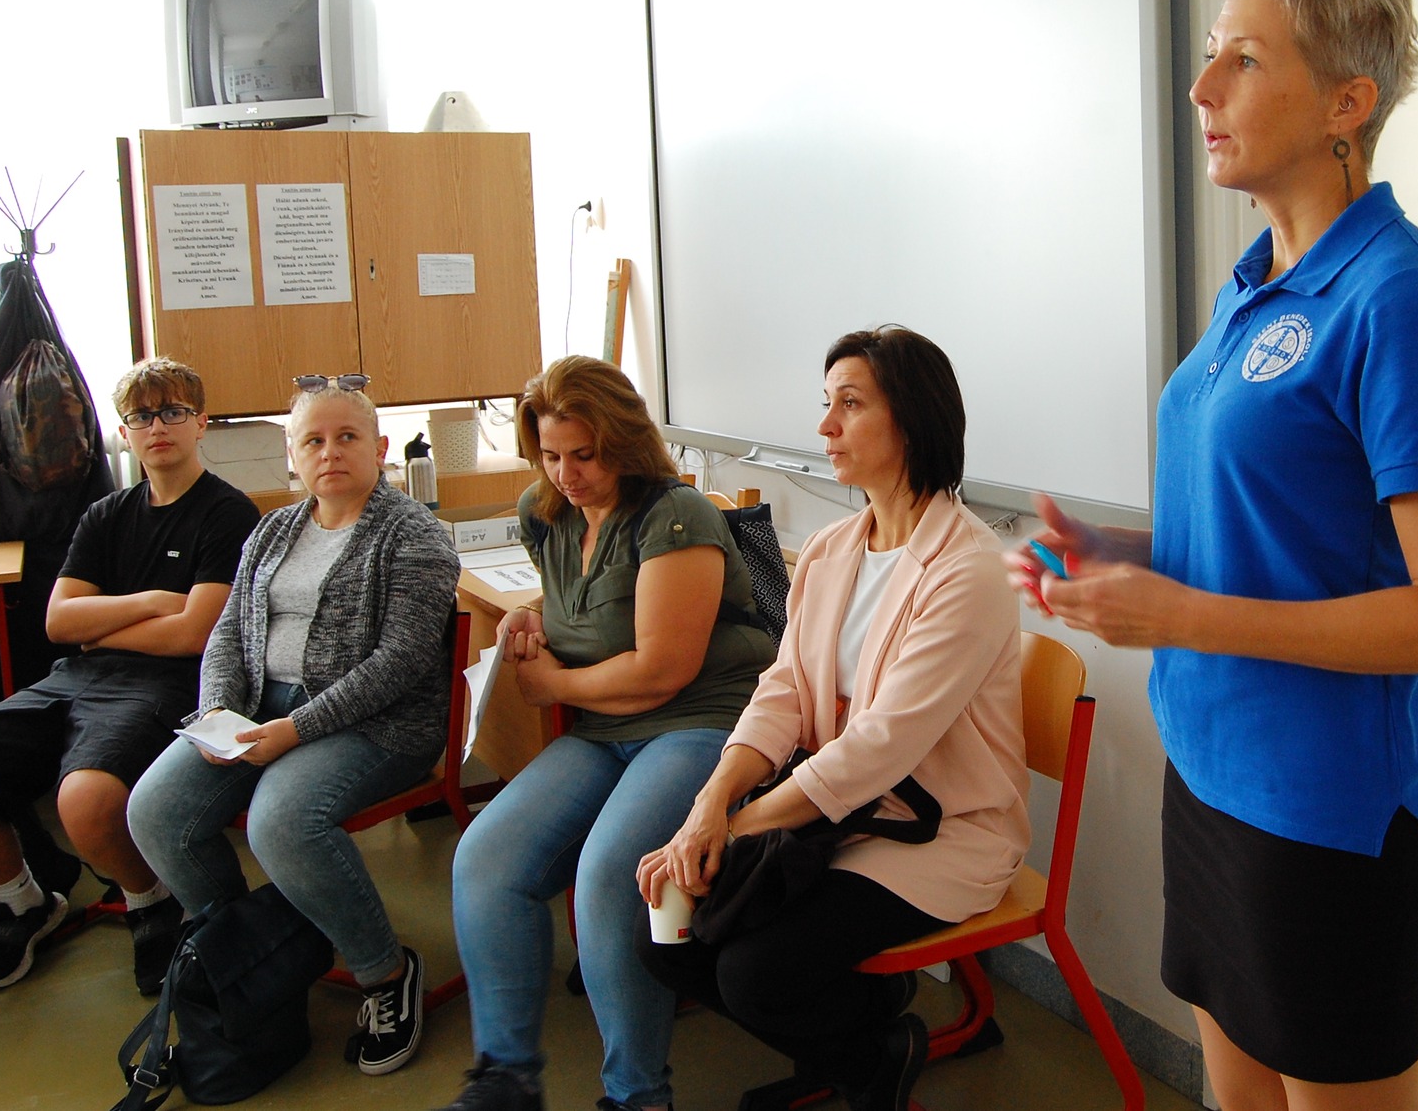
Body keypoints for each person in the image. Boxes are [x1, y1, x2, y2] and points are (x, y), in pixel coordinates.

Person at [1008, 0, 1418, 1111]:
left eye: (1241, 60)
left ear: (1346, 103)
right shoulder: (1255, 282)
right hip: (1209, 774)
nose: (1200, 89)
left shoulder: (1402, 296)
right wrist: (1125, 564)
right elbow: (1279, 542)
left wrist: (1178, 613)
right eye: (1208, 55)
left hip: (1325, 815)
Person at [637, 327, 1027, 1111]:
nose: (825, 426)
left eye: (849, 405)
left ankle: (868, 1054)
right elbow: (781, 691)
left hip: (941, 831)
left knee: (753, 971)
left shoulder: (969, 570)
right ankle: (864, 1034)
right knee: (663, 932)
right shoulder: (829, 548)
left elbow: (879, 749)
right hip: (835, 814)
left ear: (911, 422)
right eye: (827, 403)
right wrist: (710, 804)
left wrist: (735, 829)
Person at [436, 356, 775, 1111]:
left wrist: (550, 685)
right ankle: (505, 1077)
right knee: (485, 859)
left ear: (623, 442)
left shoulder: (676, 515)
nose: (567, 475)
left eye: (584, 455)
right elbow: (588, 606)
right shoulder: (545, 512)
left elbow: (662, 670)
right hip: (604, 728)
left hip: (700, 722)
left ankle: (637, 1095)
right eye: (551, 455)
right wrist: (530, 614)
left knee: (610, 875)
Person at [127, 378, 460, 1077]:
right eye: (313, 440)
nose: (329, 452)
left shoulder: (415, 534)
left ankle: (384, 972)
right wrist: (217, 712)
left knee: (281, 823)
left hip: (378, 725)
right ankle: (247, 953)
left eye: (347, 437)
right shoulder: (274, 527)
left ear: (379, 447)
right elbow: (229, 630)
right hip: (258, 710)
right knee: (155, 810)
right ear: (294, 455)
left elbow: (400, 661)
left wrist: (296, 729)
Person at [0, 357, 257, 995]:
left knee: (85, 803)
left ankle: (149, 902)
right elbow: (59, 622)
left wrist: (100, 626)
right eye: (142, 417)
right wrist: (152, 601)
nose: (158, 427)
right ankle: (24, 903)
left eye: (173, 412)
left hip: (169, 682)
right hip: (76, 675)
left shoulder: (227, 513)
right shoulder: (106, 514)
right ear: (123, 433)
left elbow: (193, 635)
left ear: (200, 422)